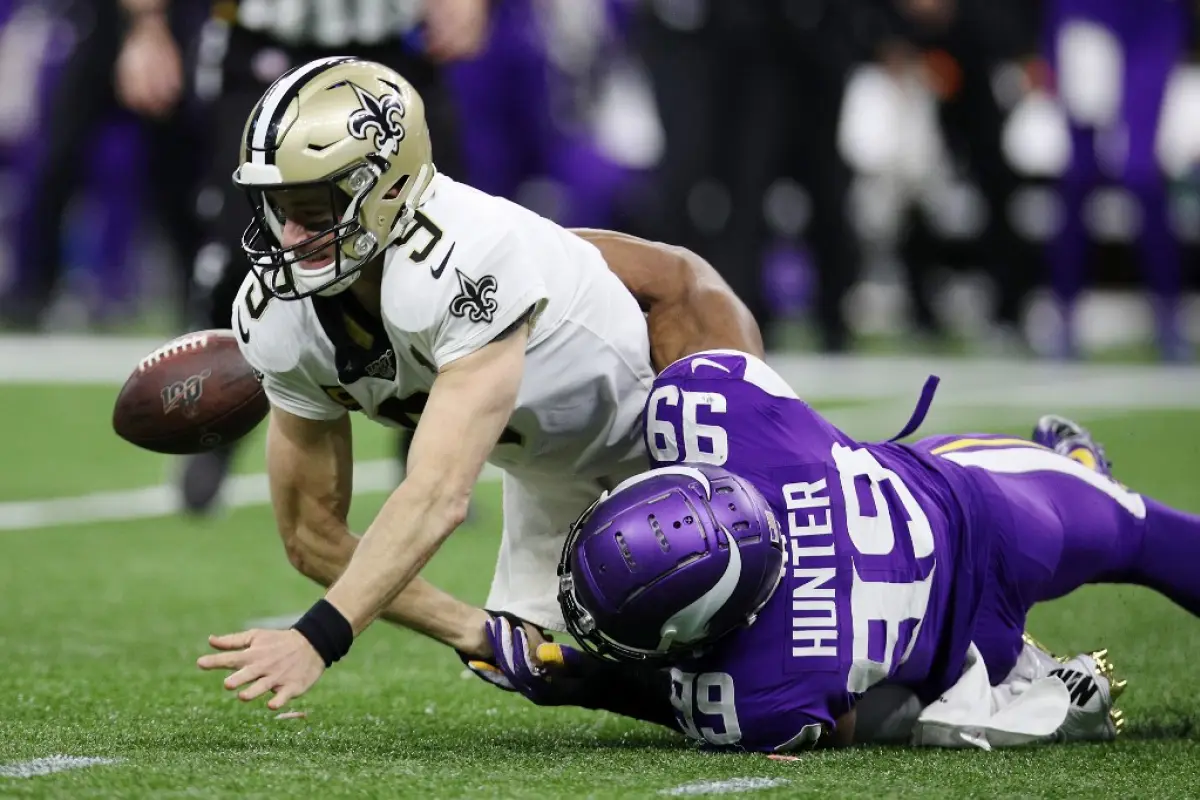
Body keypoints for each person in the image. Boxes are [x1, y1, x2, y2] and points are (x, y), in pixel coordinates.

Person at [194, 57, 762, 712]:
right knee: (542, 669)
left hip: (665, 389)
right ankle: (665, 697)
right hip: (552, 460)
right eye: (275, 208)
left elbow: (437, 494)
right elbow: (311, 536)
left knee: (771, 658)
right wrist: (472, 630)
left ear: (383, 186)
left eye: (311, 206)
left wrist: (320, 637)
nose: (290, 236)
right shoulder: (275, 315)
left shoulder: (457, 261)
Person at [530, 348, 1200, 750]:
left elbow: (836, 725)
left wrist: (597, 680)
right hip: (1001, 513)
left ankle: (1028, 672)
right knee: (1145, 535)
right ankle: (1082, 472)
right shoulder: (711, 398)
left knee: (877, 716)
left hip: (957, 652)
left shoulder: (764, 696)